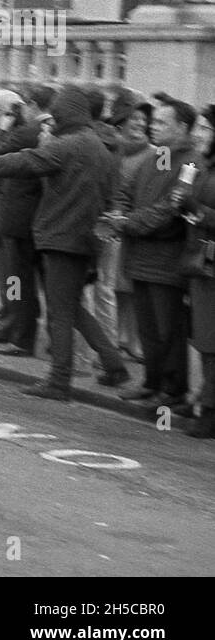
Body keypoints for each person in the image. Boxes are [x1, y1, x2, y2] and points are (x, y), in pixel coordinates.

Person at [0, 85, 131, 400]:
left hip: (61, 238)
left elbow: (23, 162)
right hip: (85, 239)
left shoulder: (68, 145)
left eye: (57, 113)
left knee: (61, 312)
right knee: (72, 307)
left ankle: (59, 381)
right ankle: (114, 364)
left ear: (66, 113)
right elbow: (114, 196)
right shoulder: (100, 148)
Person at [108, 94, 199, 412]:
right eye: (153, 121)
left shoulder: (190, 163)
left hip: (167, 259)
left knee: (168, 329)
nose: (152, 127)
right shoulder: (154, 157)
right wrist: (120, 212)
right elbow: (125, 190)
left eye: (161, 122)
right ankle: (151, 381)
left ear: (183, 127)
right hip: (139, 256)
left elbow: (172, 208)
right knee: (148, 327)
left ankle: (174, 390)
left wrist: (128, 222)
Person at [0, 88, 44, 355]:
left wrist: (3, 130)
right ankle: (9, 318)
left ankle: (11, 322)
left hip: (10, 219)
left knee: (11, 279)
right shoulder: (13, 133)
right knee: (8, 279)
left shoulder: (19, 134)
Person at [175, 104, 215, 436]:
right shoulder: (200, 166)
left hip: (211, 264)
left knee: (211, 340)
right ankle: (202, 399)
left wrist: (196, 210)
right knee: (203, 339)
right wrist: (186, 208)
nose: (198, 133)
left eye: (205, 128)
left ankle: (210, 411)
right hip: (200, 262)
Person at [107, 92, 154, 364]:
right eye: (134, 118)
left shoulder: (157, 154)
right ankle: (117, 337)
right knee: (113, 287)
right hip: (110, 227)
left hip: (135, 228)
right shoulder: (111, 149)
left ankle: (132, 341)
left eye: (143, 118)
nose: (140, 123)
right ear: (121, 121)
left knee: (133, 288)